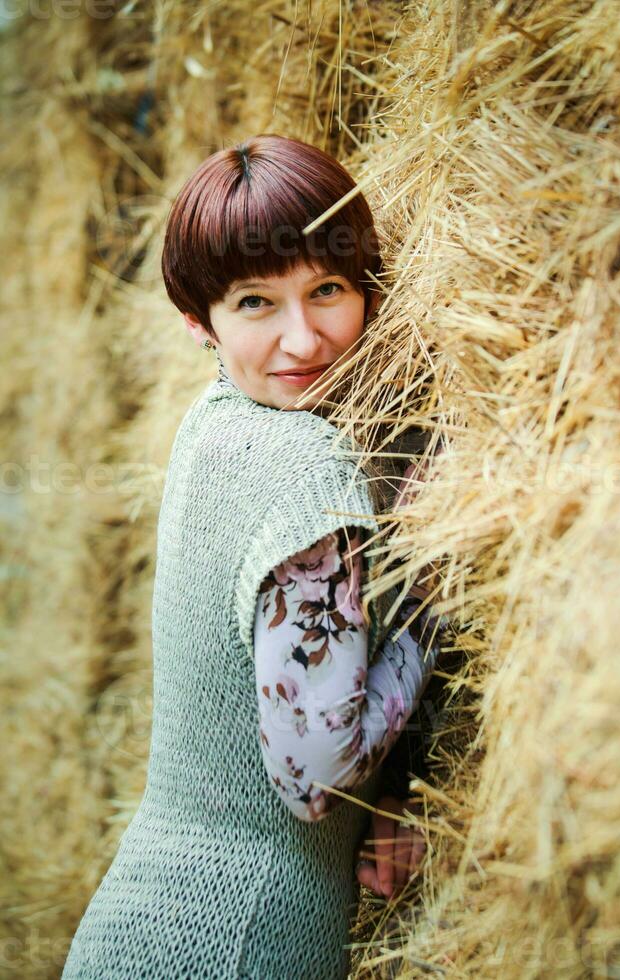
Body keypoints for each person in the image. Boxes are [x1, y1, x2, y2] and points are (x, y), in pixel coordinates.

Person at [61, 134, 444, 980]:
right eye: (256, 304)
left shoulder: (214, 423)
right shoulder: (307, 467)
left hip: (136, 927)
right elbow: (315, 776)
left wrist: (395, 788)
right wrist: (429, 597)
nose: (302, 339)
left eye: (328, 290)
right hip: (233, 942)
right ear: (201, 320)